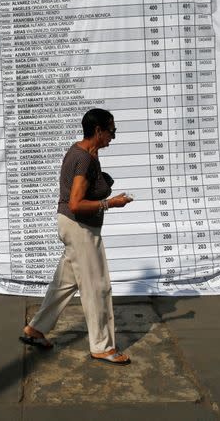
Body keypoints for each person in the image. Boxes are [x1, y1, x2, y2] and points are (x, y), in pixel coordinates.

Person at [19, 108, 133, 365]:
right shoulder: (84, 159)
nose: (113, 137)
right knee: (97, 287)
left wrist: (102, 186)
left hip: (73, 226)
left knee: (64, 283)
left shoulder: (85, 153)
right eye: (111, 131)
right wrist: (110, 203)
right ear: (98, 131)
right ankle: (102, 346)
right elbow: (76, 204)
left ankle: (36, 329)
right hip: (79, 227)